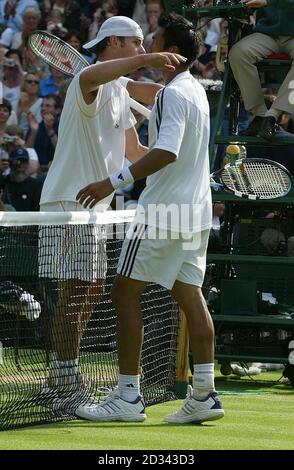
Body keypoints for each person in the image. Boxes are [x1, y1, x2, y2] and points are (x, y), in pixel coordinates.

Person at [76, 13, 224, 424]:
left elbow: (167, 153)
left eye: (156, 41)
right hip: (194, 213)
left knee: (124, 292)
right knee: (189, 295)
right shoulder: (194, 91)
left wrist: (112, 181)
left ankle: (127, 397)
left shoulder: (174, 94)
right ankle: (205, 395)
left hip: (162, 211)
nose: (149, 50)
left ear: (172, 53)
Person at [38, 15, 185, 409]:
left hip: (96, 205)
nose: (141, 49)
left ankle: (61, 376)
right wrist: (147, 62)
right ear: (114, 43)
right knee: (76, 292)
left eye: (142, 44)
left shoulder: (120, 90)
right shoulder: (87, 80)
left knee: (88, 291)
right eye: (136, 43)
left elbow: (135, 153)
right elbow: (109, 77)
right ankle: (63, 380)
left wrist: (181, 158)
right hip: (70, 201)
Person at [229, 0, 294, 140]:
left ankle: (272, 116)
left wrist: (268, 2)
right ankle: (261, 114)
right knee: (238, 53)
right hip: (267, 34)